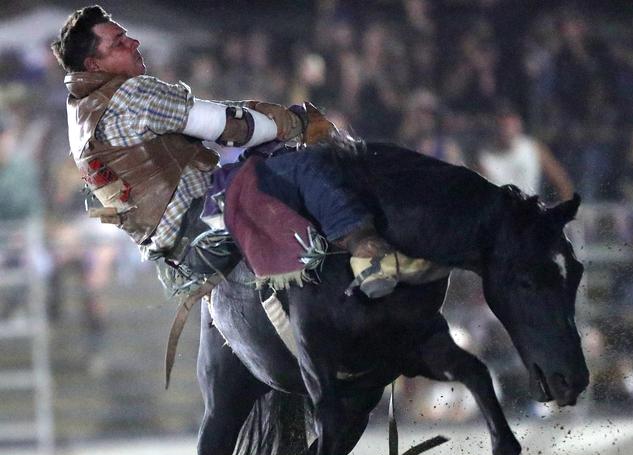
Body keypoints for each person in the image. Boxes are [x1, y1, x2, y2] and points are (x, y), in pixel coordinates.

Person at [51, 5, 434, 299]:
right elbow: (223, 125)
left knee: (270, 161)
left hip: (174, 252)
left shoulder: (79, 113)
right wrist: (291, 122)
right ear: (93, 64)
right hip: (204, 220)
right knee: (307, 164)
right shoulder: (130, 94)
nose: (133, 43)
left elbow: (194, 138)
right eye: (119, 42)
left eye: (127, 35)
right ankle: (368, 253)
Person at [477, 106, 574, 200]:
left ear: (518, 126)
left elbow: (562, 182)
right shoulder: (484, 157)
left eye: (510, 126)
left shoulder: (533, 149)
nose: (506, 131)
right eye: (503, 126)